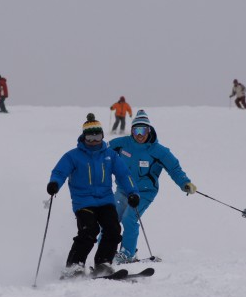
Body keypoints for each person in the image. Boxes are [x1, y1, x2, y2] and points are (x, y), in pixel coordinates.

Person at [47, 113, 140, 278]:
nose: (94, 140)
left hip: (105, 200)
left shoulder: (110, 155)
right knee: (89, 231)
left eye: (97, 135)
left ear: (102, 135)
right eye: (90, 136)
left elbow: (124, 175)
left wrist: (133, 192)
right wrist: (54, 183)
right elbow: (60, 172)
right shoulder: (73, 156)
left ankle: (103, 263)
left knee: (113, 229)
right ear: (84, 137)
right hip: (83, 202)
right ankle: (74, 266)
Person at [108, 109, 196, 264]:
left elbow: (174, 168)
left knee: (129, 218)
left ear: (149, 130)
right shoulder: (120, 144)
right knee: (110, 219)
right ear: (132, 130)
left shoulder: (159, 151)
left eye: (143, 130)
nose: (140, 134)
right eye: (136, 130)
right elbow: (99, 152)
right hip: (123, 190)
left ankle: (127, 253)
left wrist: (185, 183)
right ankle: (106, 252)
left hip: (144, 192)